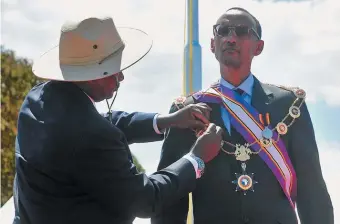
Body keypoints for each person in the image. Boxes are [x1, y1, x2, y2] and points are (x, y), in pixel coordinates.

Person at [12, 16, 224, 224]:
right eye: (115, 69)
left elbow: (104, 122)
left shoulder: (38, 99)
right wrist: (197, 158)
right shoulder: (92, 135)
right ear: (94, 75)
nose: (121, 77)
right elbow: (146, 199)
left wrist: (168, 121)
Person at [151, 7, 334, 224]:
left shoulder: (289, 104)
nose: (231, 38)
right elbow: (172, 195)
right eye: (223, 30)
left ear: (259, 47)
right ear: (212, 44)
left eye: (241, 31)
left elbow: (311, 189)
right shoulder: (187, 109)